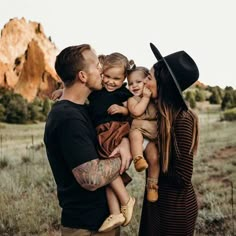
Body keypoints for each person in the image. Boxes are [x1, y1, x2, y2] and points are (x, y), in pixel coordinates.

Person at [44, 44, 133, 236]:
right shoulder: (67, 118)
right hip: (85, 227)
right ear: (83, 76)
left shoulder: (83, 111)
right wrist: (127, 155)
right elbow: (91, 178)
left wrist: (124, 142)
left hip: (102, 220)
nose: (102, 69)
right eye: (96, 65)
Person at [139, 43, 199, 236]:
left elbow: (182, 177)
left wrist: (152, 157)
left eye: (149, 77)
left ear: (163, 81)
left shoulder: (182, 120)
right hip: (157, 203)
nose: (144, 82)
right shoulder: (156, 115)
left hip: (174, 211)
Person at [127, 66, 160, 202]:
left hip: (150, 138)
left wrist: (149, 97)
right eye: (130, 83)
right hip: (139, 135)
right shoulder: (132, 100)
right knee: (134, 135)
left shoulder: (154, 99)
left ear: (146, 82)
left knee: (154, 159)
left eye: (138, 82)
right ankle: (138, 158)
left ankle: (152, 186)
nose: (134, 86)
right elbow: (136, 112)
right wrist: (145, 97)